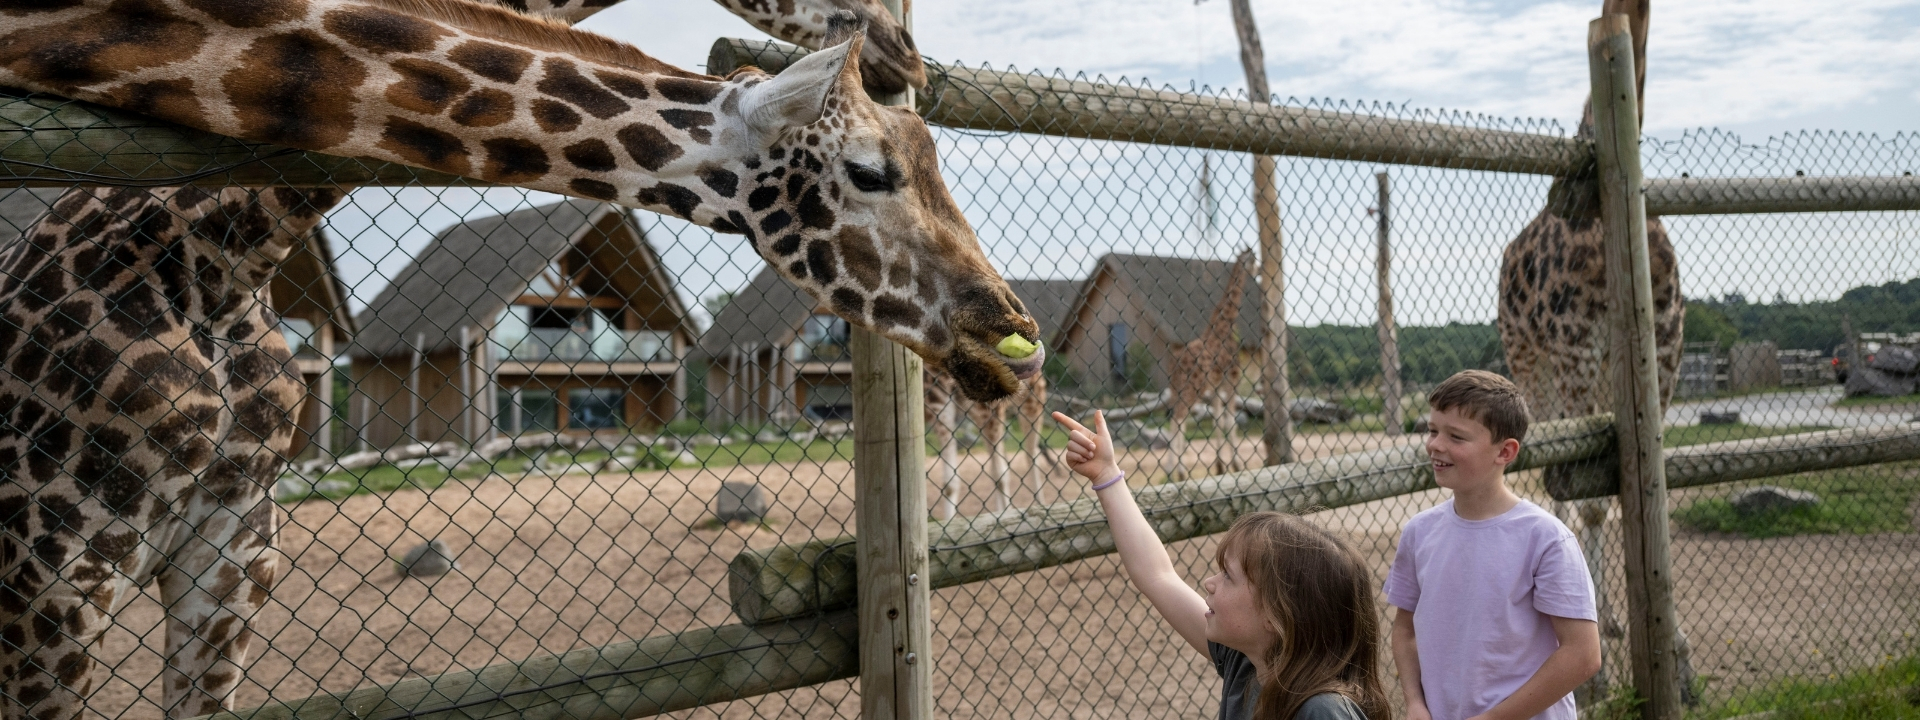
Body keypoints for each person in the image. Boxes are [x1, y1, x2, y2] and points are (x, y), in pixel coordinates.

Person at [1051, 410, 1388, 720]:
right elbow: (1157, 575)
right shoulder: (1249, 664)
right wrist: (1107, 474)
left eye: (1229, 576)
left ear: (1276, 614)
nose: (1210, 583)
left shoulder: (1321, 711)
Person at [1386, 370, 1604, 720]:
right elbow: (1405, 629)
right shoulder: (1419, 532)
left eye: (1456, 436)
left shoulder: (1545, 538)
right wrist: (1415, 702)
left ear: (1505, 451)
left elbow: (1583, 654)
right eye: (1432, 430)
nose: (1435, 445)